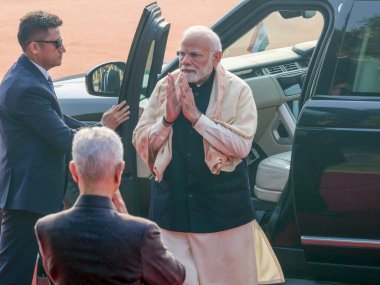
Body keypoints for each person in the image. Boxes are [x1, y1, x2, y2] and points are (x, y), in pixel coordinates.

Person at [133, 26, 284, 285]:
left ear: (216, 58)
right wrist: (167, 120)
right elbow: (141, 140)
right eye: (181, 55)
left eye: (195, 55)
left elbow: (241, 146)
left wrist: (197, 119)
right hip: (171, 213)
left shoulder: (239, 91)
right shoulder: (164, 88)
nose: (185, 62)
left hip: (222, 216)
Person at [0, 10, 130, 284]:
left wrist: (98, 124)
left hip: (36, 189)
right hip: (27, 197)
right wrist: (104, 129)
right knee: (14, 271)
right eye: (56, 43)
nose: (64, 48)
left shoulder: (32, 74)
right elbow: (64, 138)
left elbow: (58, 119)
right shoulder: (24, 87)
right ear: (34, 48)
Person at [34, 127, 185, 285]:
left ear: (73, 171)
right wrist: (126, 218)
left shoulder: (47, 228)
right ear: (119, 171)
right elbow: (175, 277)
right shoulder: (141, 232)